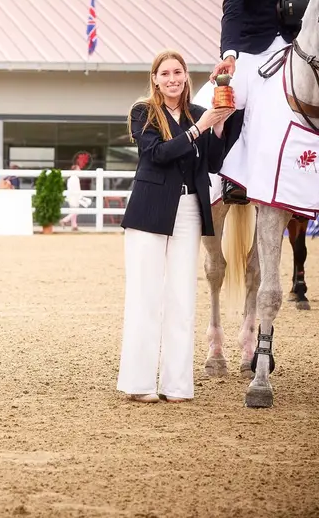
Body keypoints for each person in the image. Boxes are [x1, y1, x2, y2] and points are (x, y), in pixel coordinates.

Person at [118, 50, 235, 403]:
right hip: (150, 210)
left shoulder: (198, 113)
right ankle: (139, 383)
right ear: (155, 79)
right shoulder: (143, 113)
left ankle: (177, 385)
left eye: (178, 72)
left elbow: (212, 163)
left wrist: (218, 126)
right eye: (165, 73)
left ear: (186, 77)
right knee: (145, 296)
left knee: (182, 298)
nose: (172, 79)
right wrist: (200, 128)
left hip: (189, 211)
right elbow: (157, 154)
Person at [201, 0, 319, 204]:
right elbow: (232, 10)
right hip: (253, 46)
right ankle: (232, 178)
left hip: (296, 44)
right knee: (233, 98)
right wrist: (230, 55)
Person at [58, 164, 83, 230]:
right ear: (75, 170)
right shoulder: (75, 178)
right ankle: (64, 220)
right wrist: (79, 196)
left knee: (73, 211)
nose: (80, 170)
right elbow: (77, 189)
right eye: (78, 169)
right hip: (74, 197)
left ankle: (74, 225)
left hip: (71, 196)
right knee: (75, 211)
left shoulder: (71, 178)